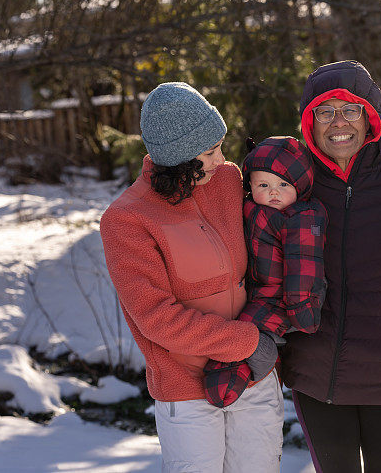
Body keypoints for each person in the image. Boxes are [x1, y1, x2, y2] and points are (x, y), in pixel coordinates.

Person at [100, 82, 283, 472]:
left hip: (252, 375)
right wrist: (245, 342)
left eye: (220, 147)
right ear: (178, 159)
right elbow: (155, 317)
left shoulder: (228, 181)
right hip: (186, 386)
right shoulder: (127, 220)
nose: (221, 160)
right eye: (209, 152)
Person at [281, 60, 381, 473]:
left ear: (370, 117)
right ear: (310, 123)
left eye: (350, 109)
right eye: (325, 111)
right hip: (316, 372)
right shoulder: (292, 185)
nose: (338, 122)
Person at [204, 135, 327, 407]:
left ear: (301, 185)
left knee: (245, 339)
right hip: (255, 293)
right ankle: (230, 377)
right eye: (263, 184)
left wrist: (303, 312)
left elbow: (303, 270)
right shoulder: (251, 208)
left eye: (283, 184)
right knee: (238, 334)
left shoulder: (301, 219)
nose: (273, 192)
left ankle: (236, 376)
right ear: (250, 185)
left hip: (281, 300)